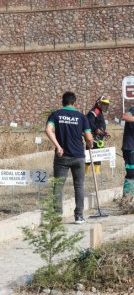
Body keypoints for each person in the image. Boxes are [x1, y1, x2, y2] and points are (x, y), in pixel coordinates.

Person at [45, 91, 93, 224]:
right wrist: (89, 144)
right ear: (74, 102)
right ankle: (78, 216)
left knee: (58, 186)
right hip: (78, 156)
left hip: (62, 156)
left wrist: (58, 146)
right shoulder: (82, 117)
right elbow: (89, 138)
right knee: (79, 186)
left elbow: (48, 130)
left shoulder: (56, 114)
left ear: (62, 101)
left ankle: (56, 216)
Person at [85, 95, 111, 177]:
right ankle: (85, 173)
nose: (104, 106)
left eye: (106, 104)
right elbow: (90, 123)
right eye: (103, 104)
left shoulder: (99, 112)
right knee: (89, 155)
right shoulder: (94, 111)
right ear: (98, 103)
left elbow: (99, 125)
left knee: (99, 154)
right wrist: (96, 129)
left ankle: (97, 173)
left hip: (99, 137)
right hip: (93, 137)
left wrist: (104, 132)